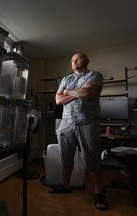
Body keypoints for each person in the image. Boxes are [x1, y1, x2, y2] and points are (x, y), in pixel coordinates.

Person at [48, 53, 108, 210]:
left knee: (92, 158)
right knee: (66, 156)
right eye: (72, 59)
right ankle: (65, 185)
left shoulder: (95, 75)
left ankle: (98, 192)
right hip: (67, 122)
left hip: (88, 122)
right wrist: (76, 91)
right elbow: (58, 100)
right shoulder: (66, 79)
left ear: (87, 61)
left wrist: (68, 92)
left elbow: (86, 93)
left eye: (78, 58)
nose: (74, 61)